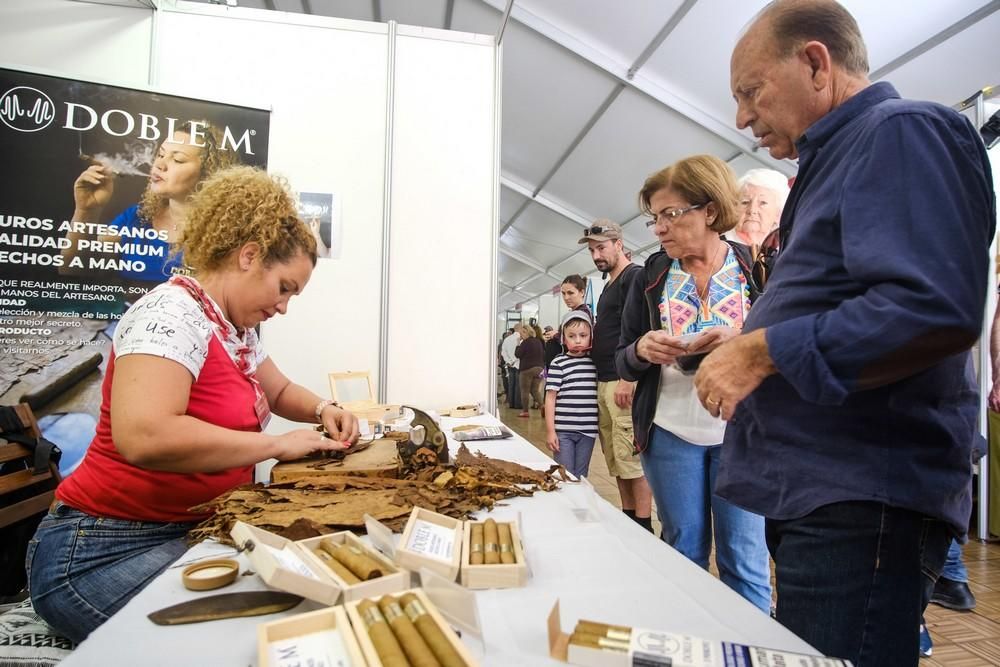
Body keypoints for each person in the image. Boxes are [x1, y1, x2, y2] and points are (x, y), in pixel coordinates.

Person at [693, 1, 995, 664]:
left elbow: (931, 306)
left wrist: (764, 349)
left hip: (864, 497)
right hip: (830, 495)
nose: (742, 116)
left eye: (751, 91)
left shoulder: (903, 131)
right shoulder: (836, 159)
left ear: (816, 63)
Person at [26, 166, 361, 643]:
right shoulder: (169, 315)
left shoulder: (233, 330)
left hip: (183, 530)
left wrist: (323, 408)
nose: (284, 306)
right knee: (239, 635)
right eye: (284, 287)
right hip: (98, 551)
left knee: (294, 595)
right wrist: (274, 446)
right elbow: (146, 435)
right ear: (249, 256)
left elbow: (281, 391)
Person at [615, 155, 771, 612]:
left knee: (745, 559)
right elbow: (620, 359)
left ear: (708, 210)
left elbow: (787, 336)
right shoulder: (650, 277)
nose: (659, 228)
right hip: (670, 434)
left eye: (670, 213)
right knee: (683, 552)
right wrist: (642, 349)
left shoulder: (755, 267)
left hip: (744, 434)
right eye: (654, 218)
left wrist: (741, 339)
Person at [63, 119, 235, 284]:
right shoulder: (137, 217)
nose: (160, 164)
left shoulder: (226, 233)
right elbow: (73, 271)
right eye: (160, 154)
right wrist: (86, 211)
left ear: (209, 173)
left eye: (177, 159)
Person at [579, 221, 653, 531]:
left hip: (620, 380)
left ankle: (644, 524)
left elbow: (638, 329)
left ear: (619, 244)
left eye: (602, 247)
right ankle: (628, 518)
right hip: (605, 378)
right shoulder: (609, 283)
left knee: (631, 461)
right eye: (592, 249)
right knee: (615, 459)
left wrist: (629, 378)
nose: (597, 254)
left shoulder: (633, 277)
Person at [545, 310, 598, 478]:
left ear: (590, 336)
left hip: (588, 431)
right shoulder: (558, 363)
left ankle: (579, 505)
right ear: (563, 338)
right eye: (571, 336)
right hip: (563, 431)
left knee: (582, 476)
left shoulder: (594, 363)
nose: (577, 340)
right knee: (564, 475)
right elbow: (550, 398)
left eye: (583, 335)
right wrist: (550, 431)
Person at [725, 168, 789, 250]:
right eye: (745, 202)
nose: (752, 210)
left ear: (778, 213)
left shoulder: (786, 248)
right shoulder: (721, 245)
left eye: (762, 203)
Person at [545, 275, 590, 369]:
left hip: (572, 367)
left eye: (570, 293)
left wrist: (556, 335)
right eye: (563, 293)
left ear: (582, 292)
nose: (566, 297)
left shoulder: (582, 314)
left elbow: (577, 343)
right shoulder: (576, 313)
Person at [514, 324, 544, 418]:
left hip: (527, 369)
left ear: (526, 332)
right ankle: (543, 406)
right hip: (540, 369)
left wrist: (518, 344)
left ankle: (525, 412)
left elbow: (518, 354)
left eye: (522, 332)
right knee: (535, 390)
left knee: (525, 391)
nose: (520, 335)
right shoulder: (538, 341)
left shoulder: (525, 342)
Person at [501, 324, 523, 410]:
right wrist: (515, 361)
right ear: (520, 329)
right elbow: (521, 352)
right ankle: (517, 404)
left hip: (509, 365)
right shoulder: (521, 339)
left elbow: (503, 352)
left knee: (511, 384)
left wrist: (509, 361)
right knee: (518, 385)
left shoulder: (507, 339)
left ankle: (511, 403)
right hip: (519, 364)